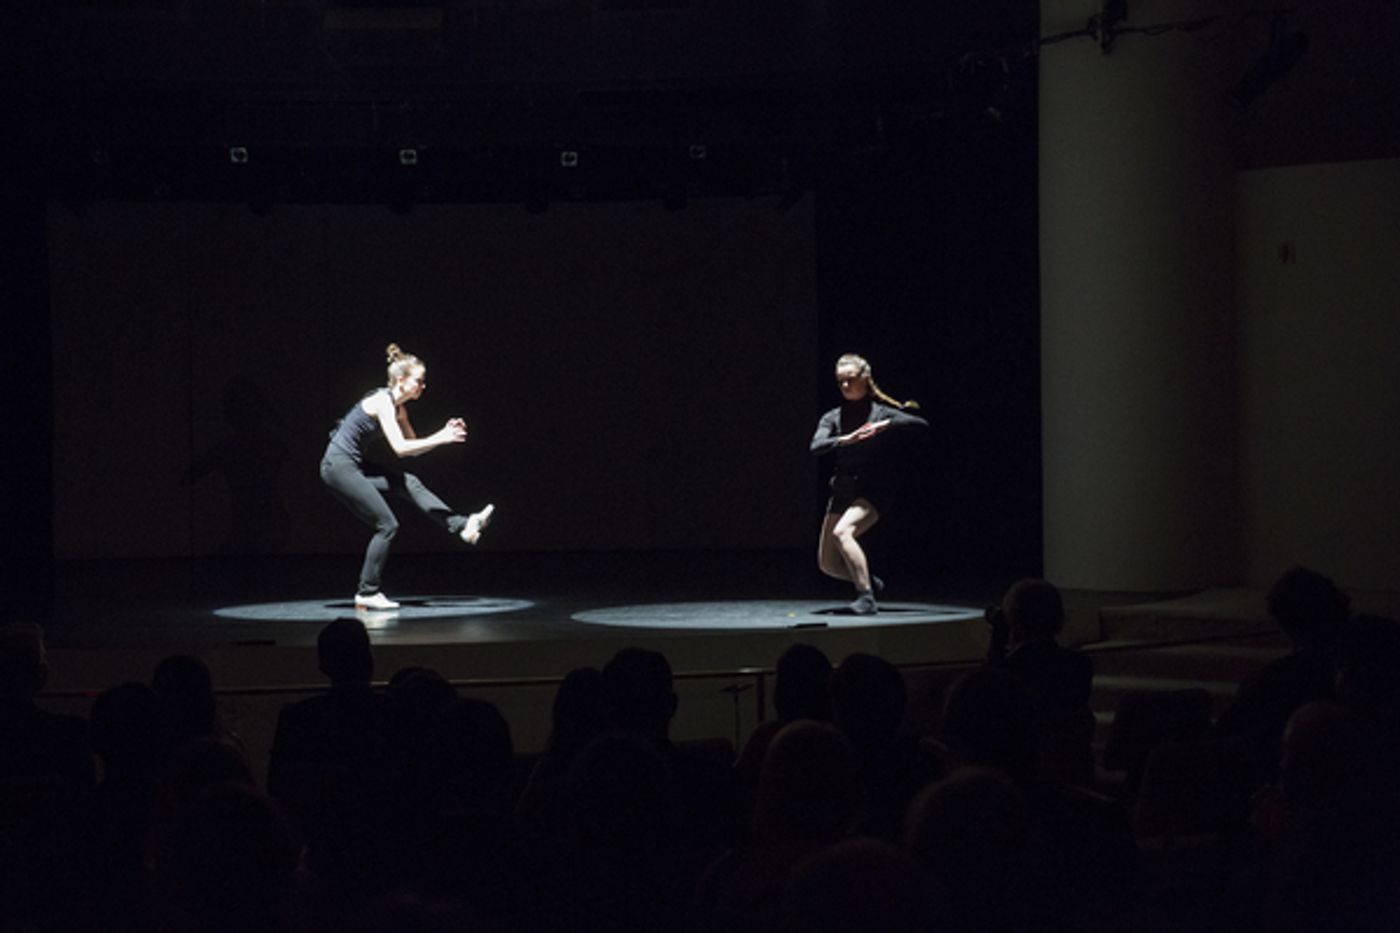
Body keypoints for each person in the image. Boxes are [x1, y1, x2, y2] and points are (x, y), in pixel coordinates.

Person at [320, 343, 494, 610]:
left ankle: (463, 526)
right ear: (401, 380)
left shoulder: (400, 409)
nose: (423, 387)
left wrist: (442, 435)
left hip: (352, 465)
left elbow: (413, 447)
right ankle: (367, 592)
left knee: (408, 482)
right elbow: (400, 449)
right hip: (338, 467)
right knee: (387, 525)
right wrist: (443, 437)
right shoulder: (382, 402)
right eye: (419, 382)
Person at [810, 353, 928, 614]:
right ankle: (870, 582)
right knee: (828, 564)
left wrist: (887, 424)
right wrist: (846, 439)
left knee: (843, 532)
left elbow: (920, 423)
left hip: (872, 490)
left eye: (850, 380)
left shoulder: (881, 412)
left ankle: (866, 598)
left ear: (865, 379)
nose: (845, 386)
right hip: (842, 490)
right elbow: (816, 446)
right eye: (840, 381)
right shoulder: (833, 417)